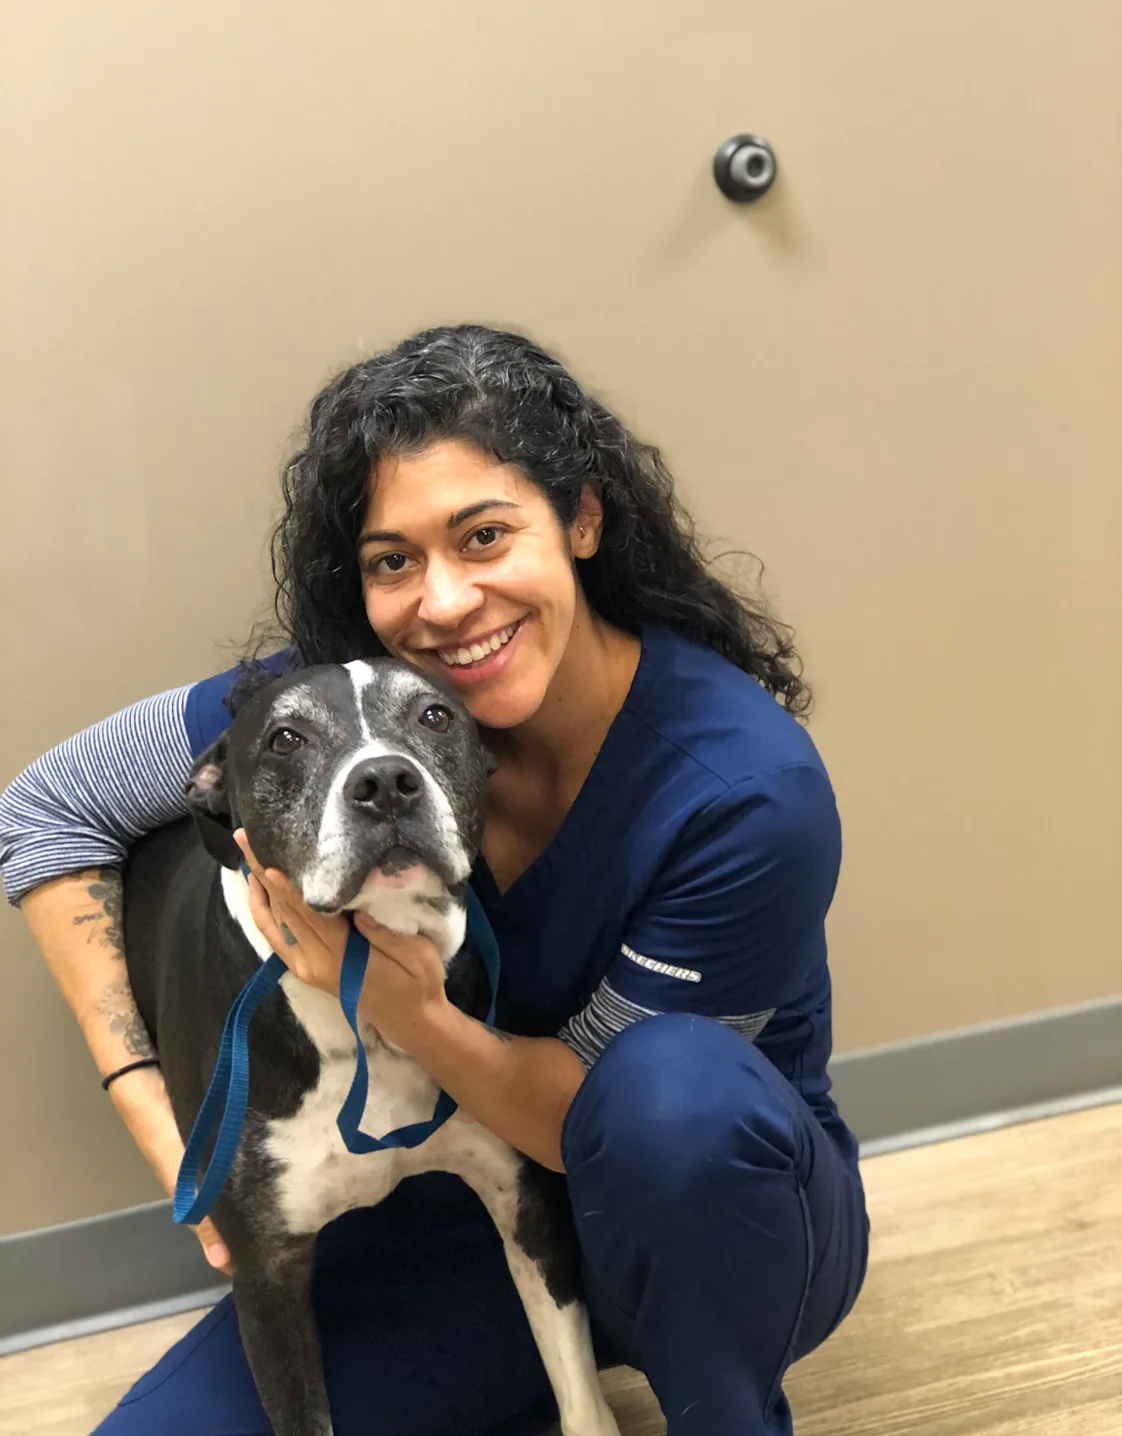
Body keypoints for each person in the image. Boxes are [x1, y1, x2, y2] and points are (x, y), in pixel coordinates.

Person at [0, 324, 868, 1436]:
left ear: (582, 518)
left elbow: (592, 1125)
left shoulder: (745, 790)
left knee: (670, 1094)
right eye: (392, 561)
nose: (446, 602)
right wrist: (150, 1098)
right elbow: (45, 806)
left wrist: (397, 1003)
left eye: (485, 535)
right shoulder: (331, 709)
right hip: (462, 1216)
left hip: (714, 1212)